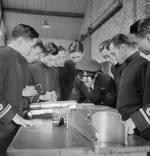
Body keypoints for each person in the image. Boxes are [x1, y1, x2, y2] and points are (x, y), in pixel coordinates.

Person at [0, 24, 39, 155]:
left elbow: (13, 89)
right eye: (32, 46)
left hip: (17, 122)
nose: (32, 50)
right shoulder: (2, 55)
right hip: (4, 125)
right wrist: (12, 116)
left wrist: (25, 91)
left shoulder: (22, 60)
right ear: (20, 41)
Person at [109, 33, 150, 139]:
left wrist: (136, 122)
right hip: (128, 126)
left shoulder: (142, 65)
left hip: (139, 129)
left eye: (114, 53)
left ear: (122, 47)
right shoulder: (126, 65)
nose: (114, 57)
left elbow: (148, 101)